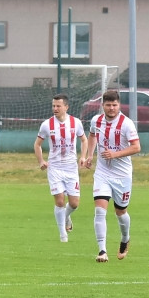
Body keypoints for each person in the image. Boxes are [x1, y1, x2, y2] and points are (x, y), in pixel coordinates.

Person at [82, 89, 141, 263]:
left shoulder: (126, 123)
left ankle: (125, 239)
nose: (111, 108)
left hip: (122, 174)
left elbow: (136, 147)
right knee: (100, 210)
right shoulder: (96, 120)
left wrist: (115, 155)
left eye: (114, 105)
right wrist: (90, 155)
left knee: (120, 211)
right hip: (102, 172)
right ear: (103, 106)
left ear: (119, 105)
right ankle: (102, 250)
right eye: (108, 105)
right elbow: (92, 135)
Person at [34, 93, 88, 243]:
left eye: (58, 106)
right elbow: (37, 144)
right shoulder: (47, 125)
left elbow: (84, 140)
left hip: (71, 168)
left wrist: (83, 157)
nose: (55, 108)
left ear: (66, 107)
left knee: (74, 203)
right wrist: (41, 161)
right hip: (55, 167)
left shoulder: (76, 123)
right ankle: (62, 234)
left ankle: (66, 217)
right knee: (59, 201)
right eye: (53, 106)